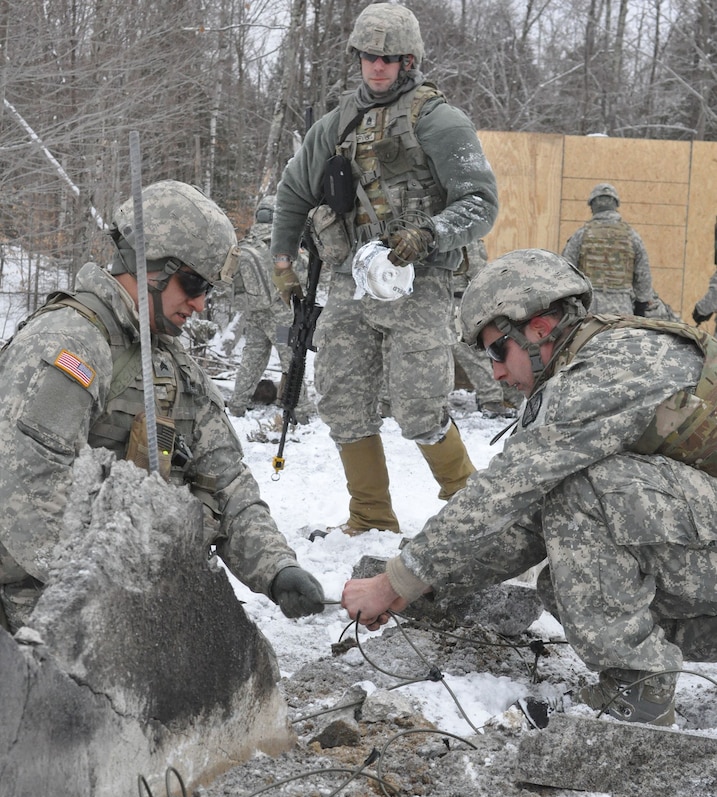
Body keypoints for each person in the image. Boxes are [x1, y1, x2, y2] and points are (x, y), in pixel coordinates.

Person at [342, 247, 717, 726]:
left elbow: (509, 486)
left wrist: (398, 577)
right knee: (569, 579)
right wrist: (416, 587)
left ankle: (639, 691)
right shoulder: (574, 375)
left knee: (586, 489)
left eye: (498, 350)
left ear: (540, 326)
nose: (496, 372)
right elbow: (520, 523)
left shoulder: (620, 362)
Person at [0, 180, 325, 633]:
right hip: (46, 604)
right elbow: (29, 499)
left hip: (134, 589)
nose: (199, 303)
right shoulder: (68, 344)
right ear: (148, 265)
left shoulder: (173, 364)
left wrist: (275, 569)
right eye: (191, 283)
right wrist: (129, 590)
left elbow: (224, 479)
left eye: (208, 289)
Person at [270, 2, 499, 535]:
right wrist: (283, 262)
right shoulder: (333, 127)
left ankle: (473, 515)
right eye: (370, 57)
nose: (377, 67)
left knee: (420, 407)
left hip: (419, 281)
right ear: (358, 58)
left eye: (389, 58)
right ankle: (370, 515)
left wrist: (429, 234)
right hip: (352, 280)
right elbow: (292, 196)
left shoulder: (440, 121)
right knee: (343, 399)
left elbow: (480, 203)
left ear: (410, 60)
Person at [227, 194, 312, 423]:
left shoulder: (247, 242)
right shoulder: (279, 242)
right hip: (280, 315)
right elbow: (302, 275)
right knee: (290, 360)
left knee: (251, 359)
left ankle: (236, 406)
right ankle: (302, 411)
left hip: (255, 313)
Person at [450, 236, 520, 418]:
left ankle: (388, 402)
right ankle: (491, 401)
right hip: (457, 302)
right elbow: (478, 274)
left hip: (430, 302)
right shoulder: (465, 233)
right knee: (473, 352)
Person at [562, 183, 653, 316]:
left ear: (592, 205)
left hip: (588, 307)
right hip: (622, 309)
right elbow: (643, 275)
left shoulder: (581, 235)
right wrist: (641, 306)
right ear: (616, 205)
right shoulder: (632, 236)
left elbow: (566, 270)